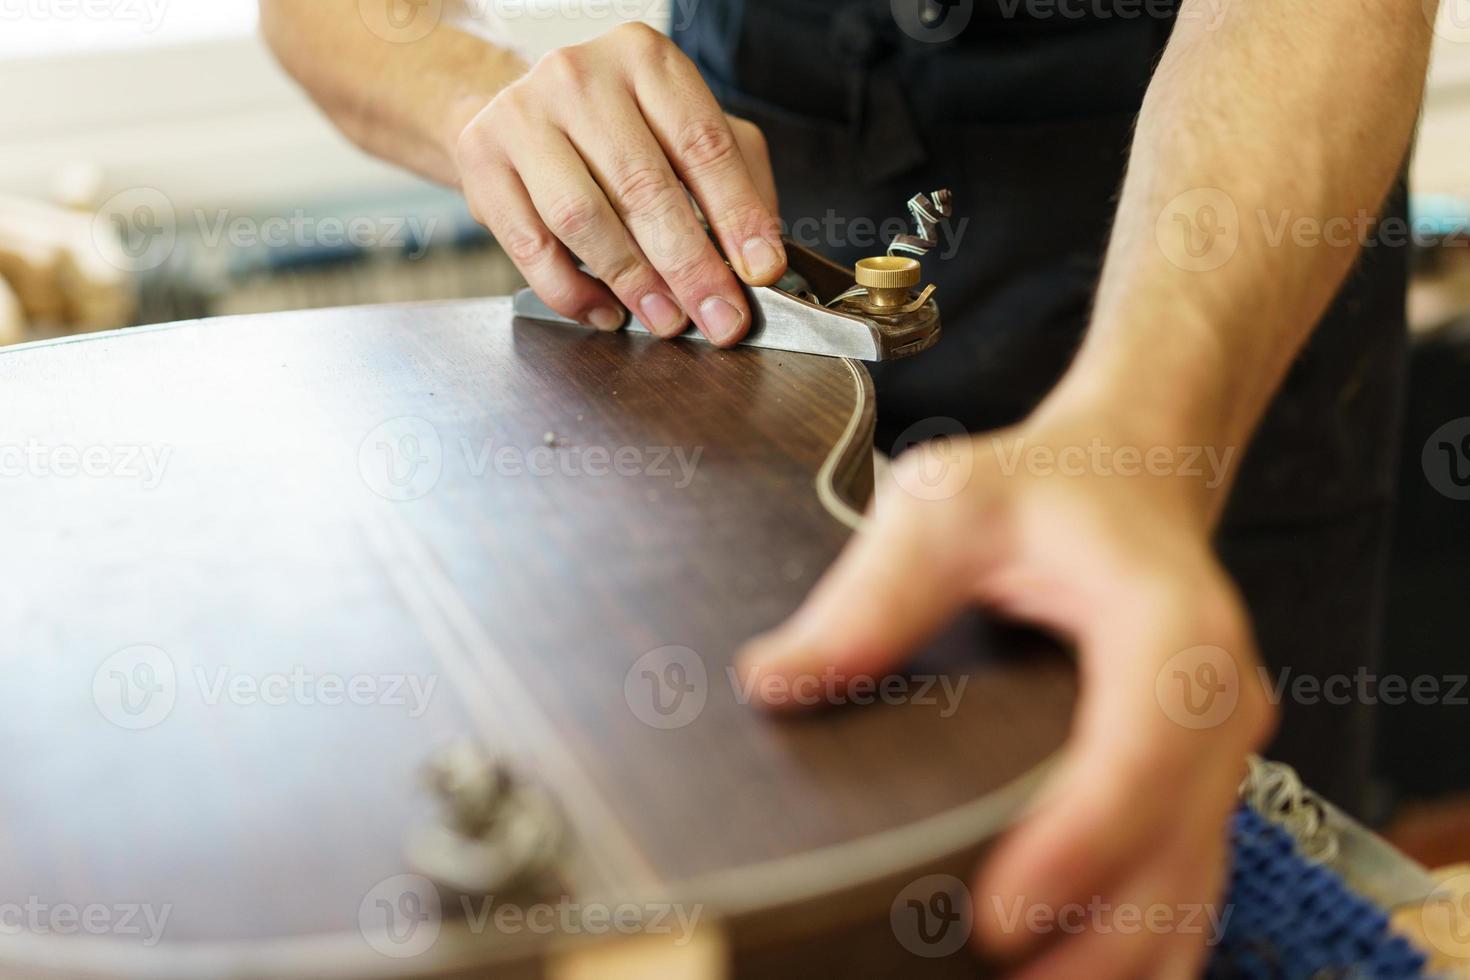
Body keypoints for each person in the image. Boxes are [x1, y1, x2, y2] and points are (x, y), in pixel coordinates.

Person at [260, 1, 1436, 973]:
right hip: (740, 255)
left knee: (1203, 872)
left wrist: (1144, 428)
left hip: (1219, 248)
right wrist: (493, 108)